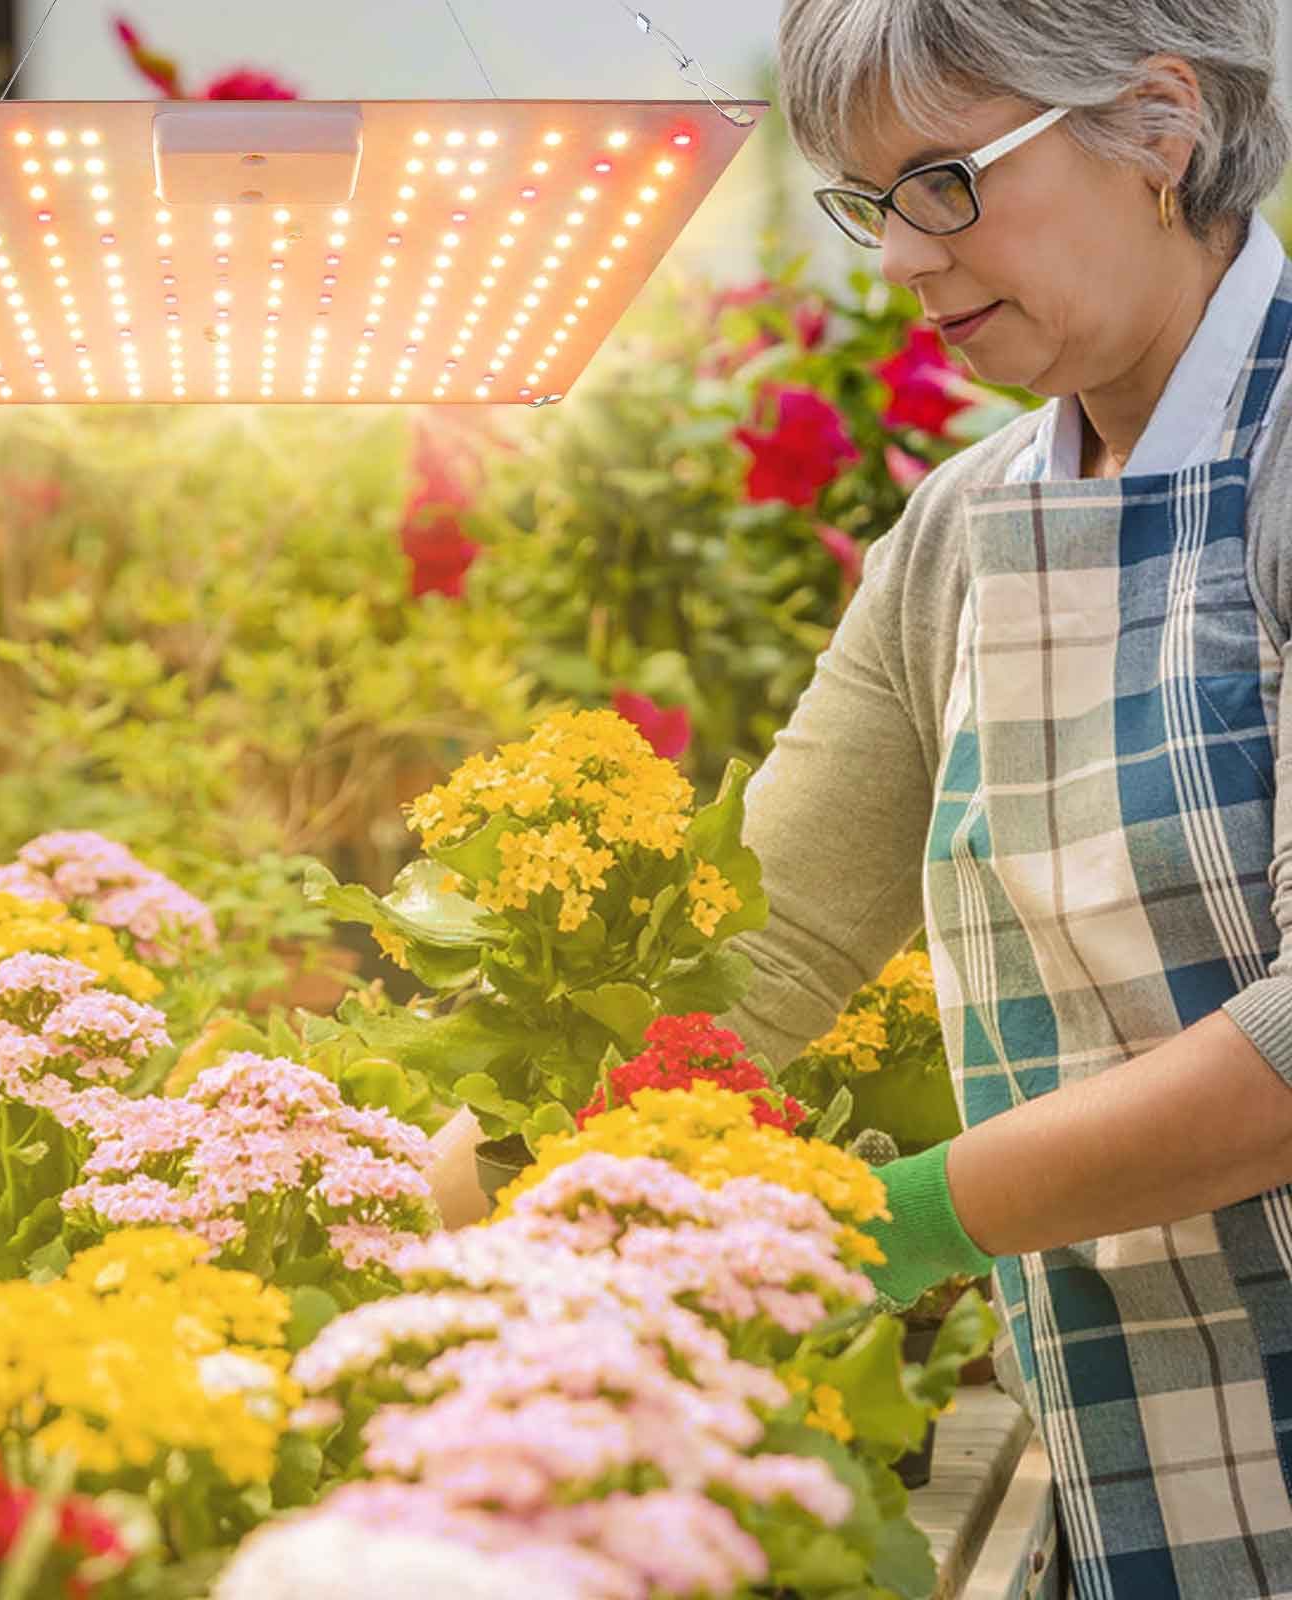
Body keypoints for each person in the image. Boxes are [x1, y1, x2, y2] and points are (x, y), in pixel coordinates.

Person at [725, 1, 1292, 1593]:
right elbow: (752, 953)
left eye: (946, 181)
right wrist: (482, 1165)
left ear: (1161, 126)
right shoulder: (963, 533)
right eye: (868, 198)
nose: (899, 258)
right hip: (1130, 1472)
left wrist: (867, 1225)